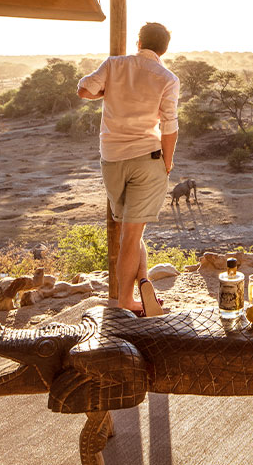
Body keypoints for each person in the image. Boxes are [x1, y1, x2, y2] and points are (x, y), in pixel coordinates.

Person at [77, 22, 180, 317]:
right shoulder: (167, 78)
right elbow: (169, 125)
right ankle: (125, 300)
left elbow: (84, 90)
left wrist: (105, 93)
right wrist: (168, 162)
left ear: (138, 41)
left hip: (111, 159)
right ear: (164, 49)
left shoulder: (113, 65)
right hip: (147, 158)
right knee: (133, 234)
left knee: (130, 232)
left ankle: (143, 282)